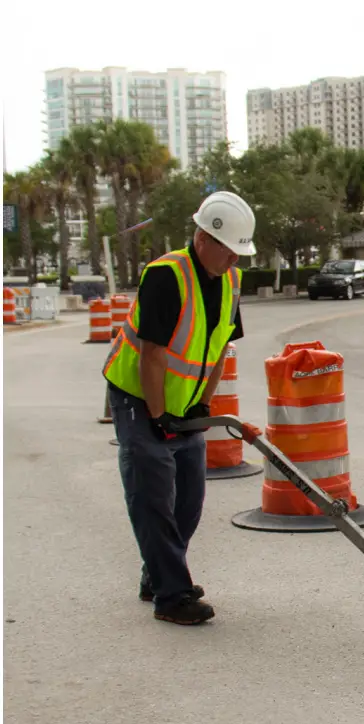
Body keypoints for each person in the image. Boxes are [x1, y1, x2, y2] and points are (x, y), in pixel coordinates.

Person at [102, 190, 256, 625]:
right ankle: (172, 596)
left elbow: (221, 346)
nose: (235, 261)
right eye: (230, 252)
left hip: (185, 404)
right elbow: (153, 352)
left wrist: (201, 405)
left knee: (189, 497)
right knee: (153, 491)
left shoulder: (231, 280)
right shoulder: (166, 274)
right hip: (138, 397)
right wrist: (157, 416)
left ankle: (157, 574)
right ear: (204, 238)